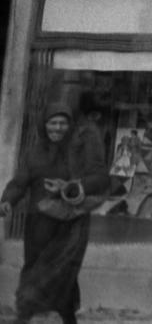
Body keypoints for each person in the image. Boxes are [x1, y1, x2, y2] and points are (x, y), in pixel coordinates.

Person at [0, 100, 109, 324]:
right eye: (52, 123)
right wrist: (8, 200)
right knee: (34, 267)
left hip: (71, 224)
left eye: (62, 123)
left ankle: (67, 316)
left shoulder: (78, 152)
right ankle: (24, 314)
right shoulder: (34, 153)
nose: (57, 128)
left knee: (64, 271)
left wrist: (68, 186)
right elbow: (20, 182)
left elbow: (100, 179)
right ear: (44, 125)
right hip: (38, 223)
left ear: (69, 126)